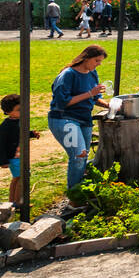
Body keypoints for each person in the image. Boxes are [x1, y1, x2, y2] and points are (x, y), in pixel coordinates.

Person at [48, 44, 109, 191]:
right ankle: (74, 194)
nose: (98, 64)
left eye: (100, 61)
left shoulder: (92, 73)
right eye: (97, 60)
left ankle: (80, 190)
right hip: (65, 118)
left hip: (84, 119)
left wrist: (110, 105)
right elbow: (63, 102)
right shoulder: (68, 75)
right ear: (86, 58)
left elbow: (95, 98)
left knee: (84, 156)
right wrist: (90, 93)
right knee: (79, 155)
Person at [0, 93, 40, 204]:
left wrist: (31, 134)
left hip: (20, 156)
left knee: (17, 178)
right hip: (14, 157)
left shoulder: (20, 121)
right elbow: (0, 144)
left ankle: (12, 203)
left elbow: (21, 133)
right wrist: (3, 161)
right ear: (8, 112)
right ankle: (18, 203)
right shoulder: (6, 125)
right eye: (19, 109)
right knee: (21, 178)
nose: (22, 111)